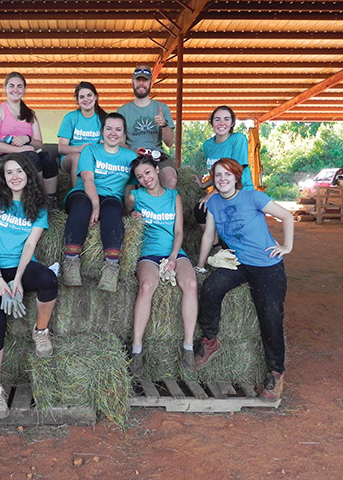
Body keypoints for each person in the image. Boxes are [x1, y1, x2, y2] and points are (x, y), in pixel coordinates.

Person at [194, 157, 294, 402]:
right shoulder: (215, 203)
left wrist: (286, 246)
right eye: (218, 175)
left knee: (269, 314)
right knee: (210, 288)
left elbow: (287, 216)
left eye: (227, 174)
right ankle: (210, 340)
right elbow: (208, 236)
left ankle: (275, 373)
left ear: (236, 177)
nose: (223, 179)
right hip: (238, 262)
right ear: (213, 180)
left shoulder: (252, 197)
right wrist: (200, 265)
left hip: (266, 264)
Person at [0, 153, 58, 420]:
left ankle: (40, 330)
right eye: (9, 172)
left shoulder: (38, 206)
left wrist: (18, 279)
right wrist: (0, 282)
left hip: (20, 264)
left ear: (29, 173)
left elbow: (30, 245)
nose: (15, 176)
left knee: (48, 280)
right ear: (3, 178)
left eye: (19, 170)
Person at [124, 154, 198, 376]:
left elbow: (179, 232)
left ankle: (188, 347)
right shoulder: (134, 196)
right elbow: (126, 217)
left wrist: (174, 257)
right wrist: (131, 216)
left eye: (147, 172)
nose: (145, 178)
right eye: (140, 176)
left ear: (156, 170)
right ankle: (137, 348)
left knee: (191, 284)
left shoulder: (174, 196)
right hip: (148, 253)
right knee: (147, 286)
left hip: (173, 251)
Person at [62, 112, 137, 293]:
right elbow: (87, 179)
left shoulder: (130, 156)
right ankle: (71, 260)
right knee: (82, 205)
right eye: (109, 128)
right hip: (84, 192)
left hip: (111, 197)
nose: (113, 133)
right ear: (102, 131)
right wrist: (95, 205)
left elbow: (131, 187)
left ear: (124, 133)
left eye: (118, 129)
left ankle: (111, 267)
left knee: (112, 210)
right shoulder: (91, 150)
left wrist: (130, 210)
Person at [0, 72, 59, 203]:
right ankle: (36, 198)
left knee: (48, 157)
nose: (16, 89)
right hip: (2, 155)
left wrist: (28, 139)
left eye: (19, 86)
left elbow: (39, 144)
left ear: (24, 90)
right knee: (31, 157)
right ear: (5, 88)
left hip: (26, 153)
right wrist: (18, 150)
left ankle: (51, 200)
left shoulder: (30, 114)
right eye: (12, 86)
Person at [194, 106, 255, 246]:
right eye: (217, 119)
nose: (222, 123)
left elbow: (236, 172)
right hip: (221, 192)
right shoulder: (208, 145)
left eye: (226, 119)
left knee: (233, 223)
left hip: (240, 191)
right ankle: (217, 247)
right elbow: (216, 173)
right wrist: (204, 185)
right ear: (212, 123)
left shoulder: (238, 139)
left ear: (232, 123)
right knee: (200, 209)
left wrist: (212, 194)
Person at [117, 65, 178, 190]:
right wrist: (132, 151)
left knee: (170, 179)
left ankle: (165, 208)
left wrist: (164, 124)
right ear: (132, 82)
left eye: (144, 80)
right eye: (138, 80)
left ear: (150, 83)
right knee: (128, 189)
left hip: (157, 155)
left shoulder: (162, 108)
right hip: (132, 156)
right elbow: (118, 142)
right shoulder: (122, 111)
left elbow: (170, 142)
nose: (141, 83)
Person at [57, 81, 107, 186]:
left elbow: (105, 145)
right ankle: (77, 194)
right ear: (78, 101)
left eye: (89, 95)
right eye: (82, 97)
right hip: (70, 158)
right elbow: (61, 148)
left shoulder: (103, 119)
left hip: (94, 157)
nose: (86, 99)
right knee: (78, 157)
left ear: (96, 97)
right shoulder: (70, 118)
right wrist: (79, 149)